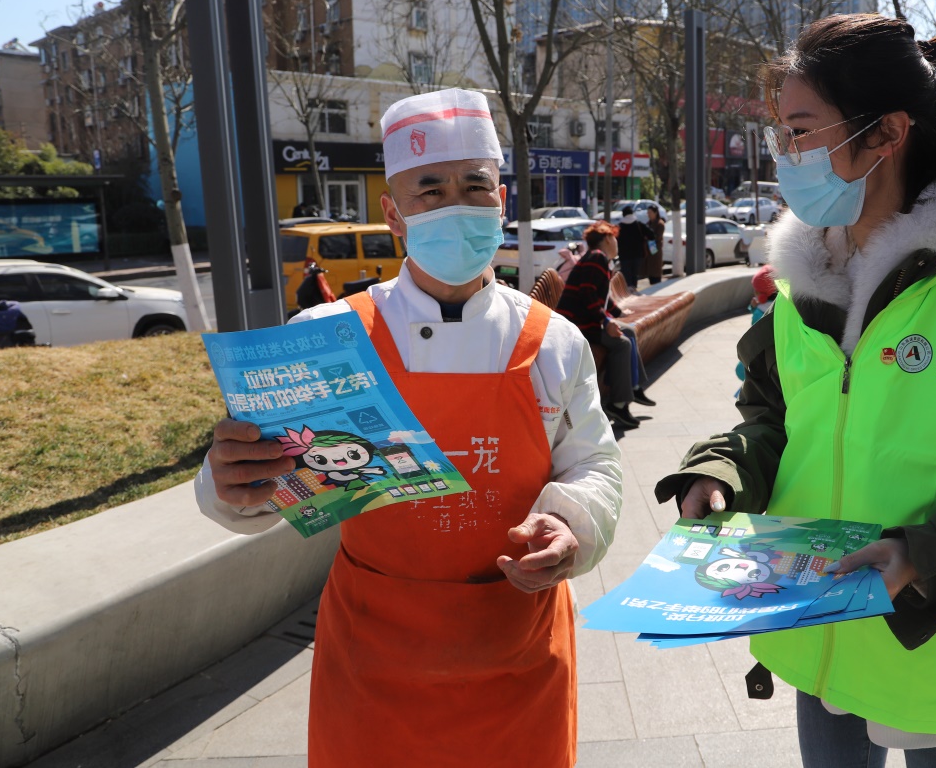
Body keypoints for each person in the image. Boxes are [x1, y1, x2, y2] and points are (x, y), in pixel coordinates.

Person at [653, 14, 936, 767]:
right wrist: (723, 470)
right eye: (781, 134)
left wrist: (920, 555)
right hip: (819, 640)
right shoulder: (799, 291)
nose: (785, 157)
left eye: (801, 132)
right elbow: (773, 421)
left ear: (886, 134)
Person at [195, 88, 623, 768]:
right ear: (393, 213)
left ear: (501, 202)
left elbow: (594, 462)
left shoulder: (554, 342)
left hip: (520, 656)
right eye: (429, 190)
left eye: (474, 186)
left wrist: (574, 524)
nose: (455, 205)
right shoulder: (327, 338)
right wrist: (231, 483)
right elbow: (257, 490)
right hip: (372, 666)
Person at [556, 221, 652, 428]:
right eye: (614, 238)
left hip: (584, 322)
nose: (616, 242)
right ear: (608, 238)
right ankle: (618, 404)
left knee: (629, 331)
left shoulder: (597, 258)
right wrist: (606, 322)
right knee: (622, 343)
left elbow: (602, 298)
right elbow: (587, 293)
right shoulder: (597, 257)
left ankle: (634, 387)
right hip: (576, 326)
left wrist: (619, 314)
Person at [616, 203, 650, 288]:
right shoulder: (639, 224)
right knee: (635, 274)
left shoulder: (619, 227)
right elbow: (651, 234)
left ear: (623, 214)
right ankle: (634, 289)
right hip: (638, 254)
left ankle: (628, 290)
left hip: (624, 255)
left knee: (626, 276)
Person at [644, 203, 667, 284]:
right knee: (650, 273)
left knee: (656, 273)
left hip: (655, 250)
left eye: (650, 212)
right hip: (648, 252)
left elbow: (657, 237)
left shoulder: (660, 224)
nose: (648, 214)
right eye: (648, 212)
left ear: (655, 213)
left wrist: (648, 238)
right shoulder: (648, 224)